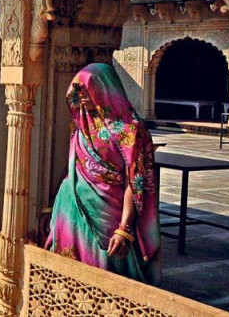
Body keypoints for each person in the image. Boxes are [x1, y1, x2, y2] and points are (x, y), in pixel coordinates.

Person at [46, 63, 160, 284]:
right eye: (77, 90)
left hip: (108, 216)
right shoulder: (81, 125)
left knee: (104, 275)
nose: (81, 96)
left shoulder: (131, 130)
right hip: (71, 209)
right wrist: (52, 208)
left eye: (86, 89)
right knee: (66, 276)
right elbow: (73, 167)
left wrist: (124, 229)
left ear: (105, 88)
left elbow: (135, 182)